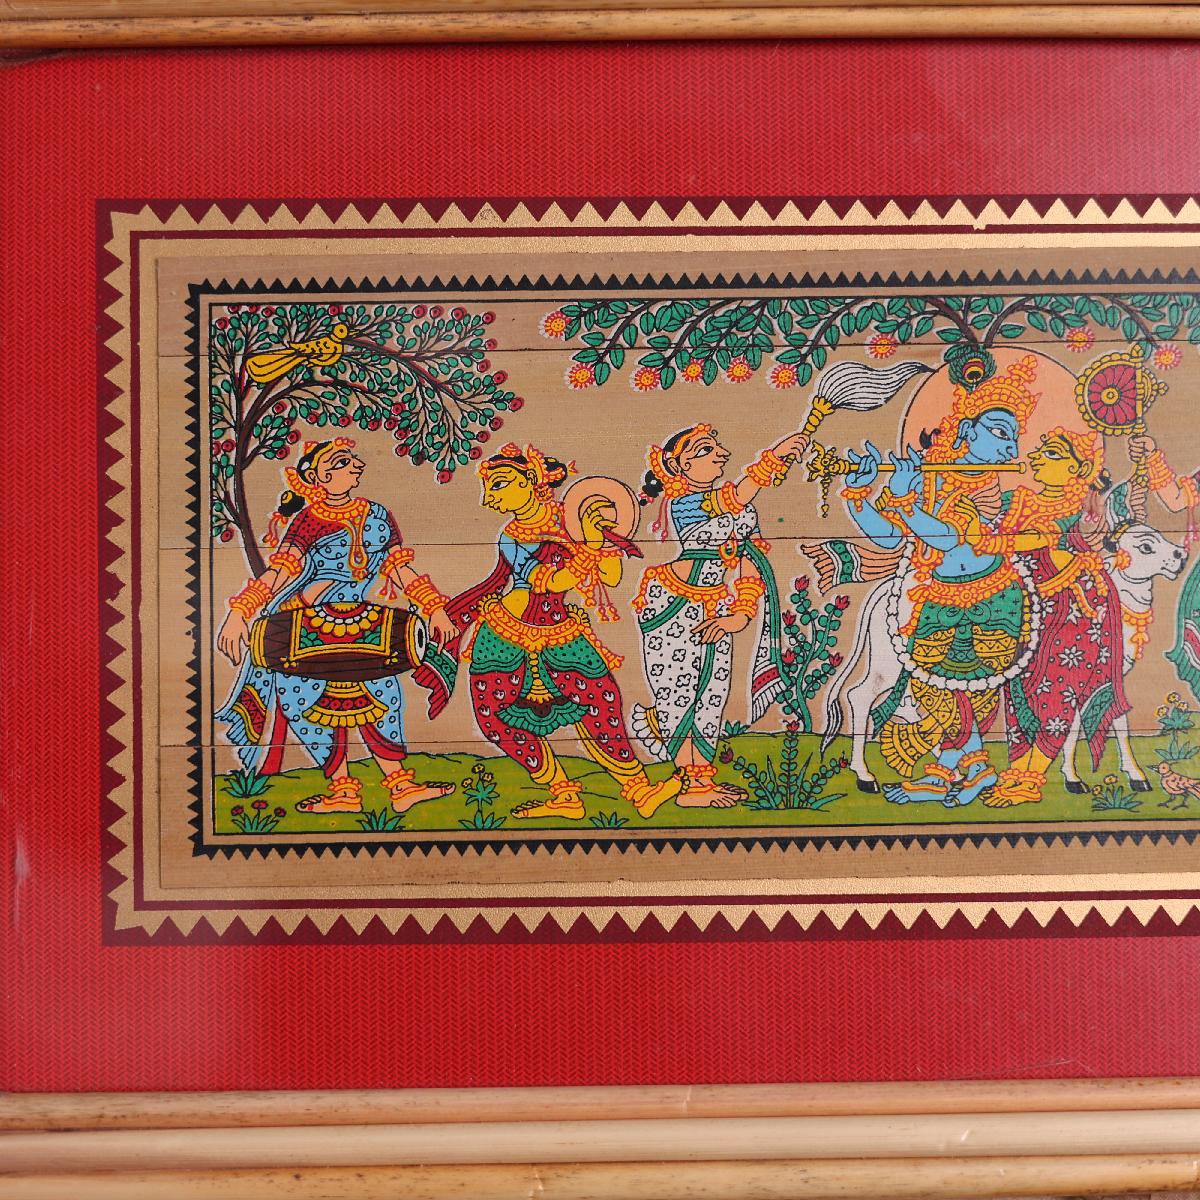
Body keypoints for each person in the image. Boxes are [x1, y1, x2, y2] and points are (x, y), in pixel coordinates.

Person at [416, 443, 681, 821]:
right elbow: (545, 582)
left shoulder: (573, 517)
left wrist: (595, 538)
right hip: (505, 634)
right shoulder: (511, 535)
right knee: (494, 717)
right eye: (489, 489)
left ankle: (639, 788)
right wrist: (588, 547)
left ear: (531, 479)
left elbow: (611, 576)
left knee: (602, 701)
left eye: (499, 484)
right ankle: (562, 792)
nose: (490, 498)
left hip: (560, 632)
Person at [215, 438, 457, 814]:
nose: (355, 465)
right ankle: (342, 790)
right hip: (306, 623)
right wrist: (240, 612)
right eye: (342, 462)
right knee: (302, 700)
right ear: (317, 477)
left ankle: (402, 786)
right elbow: (281, 573)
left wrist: (434, 607)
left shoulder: (377, 514)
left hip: (363, 620)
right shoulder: (307, 520)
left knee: (384, 694)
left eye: (352, 459)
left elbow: (398, 568)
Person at [844, 355, 1040, 806]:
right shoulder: (930, 471)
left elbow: (949, 537)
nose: (1010, 447)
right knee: (933, 687)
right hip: (939, 598)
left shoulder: (992, 489)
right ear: (968, 429)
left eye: (1014, 438)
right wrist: (859, 493)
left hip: (992, 597)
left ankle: (960, 771)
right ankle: (959, 771)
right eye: (1000, 432)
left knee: (973, 687)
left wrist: (905, 500)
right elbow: (889, 536)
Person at [630, 423, 810, 806]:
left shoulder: (741, 510)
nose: (721, 454)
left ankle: (700, 779)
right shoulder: (685, 503)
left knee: (712, 693)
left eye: (718, 447)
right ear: (679, 466)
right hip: (673, 604)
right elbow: (739, 493)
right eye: (706, 450)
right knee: (681, 691)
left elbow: (747, 560)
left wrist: (739, 615)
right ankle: (688, 786)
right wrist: (776, 455)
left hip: (716, 605)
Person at [982, 428, 1129, 806]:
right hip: (1020, 609)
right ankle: (1018, 771)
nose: (1035, 458)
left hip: (1075, 610)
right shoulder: (1017, 500)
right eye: (1039, 452)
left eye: (1050, 454)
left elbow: (1090, 538)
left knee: (1057, 693)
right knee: (1017, 690)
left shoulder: (1084, 508)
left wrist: (1086, 519)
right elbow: (984, 524)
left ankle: (1032, 778)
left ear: (1077, 467)